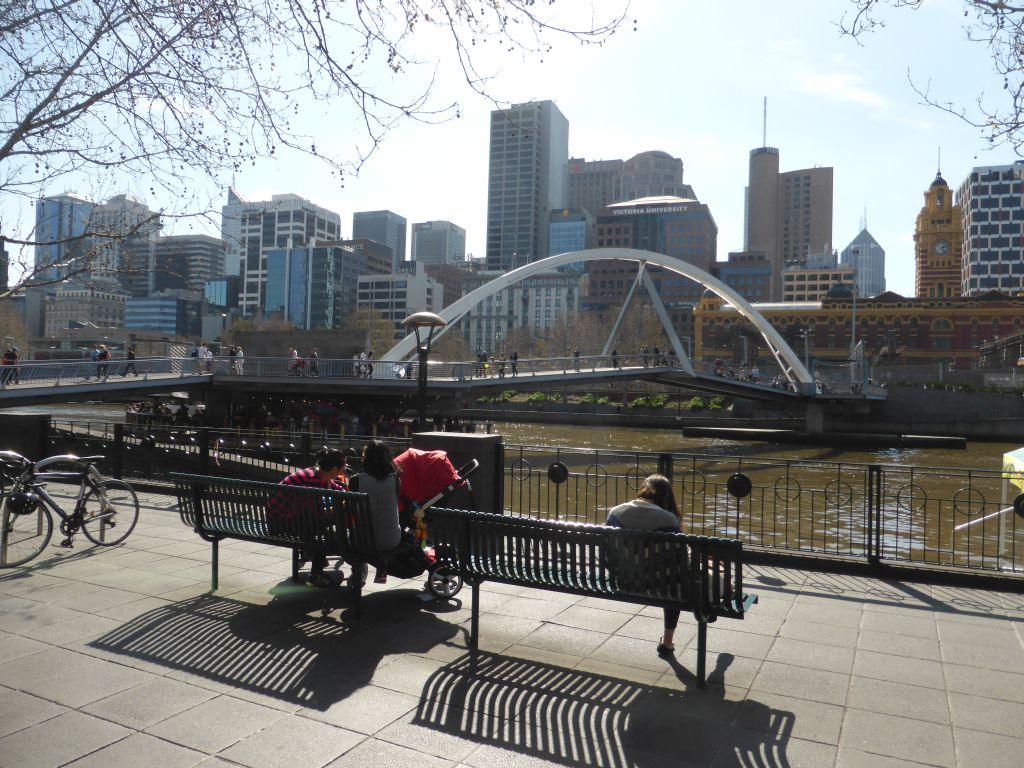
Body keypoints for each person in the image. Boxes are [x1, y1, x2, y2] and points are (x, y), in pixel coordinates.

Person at [606, 474, 682, 659]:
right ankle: (667, 642)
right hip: (660, 585)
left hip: (622, 581)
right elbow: (677, 560)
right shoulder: (669, 519)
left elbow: (608, 553)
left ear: (642, 490)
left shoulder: (615, 513)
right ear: (667, 497)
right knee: (675, 582)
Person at [349, 440, 429, 584]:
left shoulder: (355, 480)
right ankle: (381, 566)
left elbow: (353, 509)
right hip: (391, 539)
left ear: (365, 458)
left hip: (363, 541)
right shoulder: (395, 479)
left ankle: (359, 570)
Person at [269, 447, 348, 588]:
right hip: (282, 523)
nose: (344, 472)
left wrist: (343, 497)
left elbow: (339, 490)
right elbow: (315, 514)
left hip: (282, 518)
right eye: (343, 468)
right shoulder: (313, 482)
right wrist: (338, 509)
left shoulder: (316, 474)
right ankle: (315, 575)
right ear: (334, 470)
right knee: (323, 528)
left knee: (322, 526)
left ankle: (314, 556)